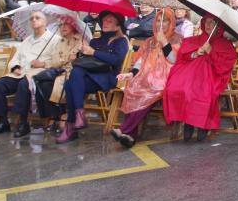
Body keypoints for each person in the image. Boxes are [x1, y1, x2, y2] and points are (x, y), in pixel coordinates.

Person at [111, 8, 183, 147]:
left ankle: (124, 129)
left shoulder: (178, 39)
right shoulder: (150, 41)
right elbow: (140, 60)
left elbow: (174, 60)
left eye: (165, 21)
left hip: (167, 78)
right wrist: (131, 73)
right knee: (134, 86)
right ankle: (129, 136)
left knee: (150, 90)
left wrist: (165, 43)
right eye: (158, 21)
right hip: (147, 76)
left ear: (172, 22)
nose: (160, 24)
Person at [56, 11, 129, 143]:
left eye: (110, 21)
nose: (105, 23)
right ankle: (78, 116)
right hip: (91, 75)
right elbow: (89, 63)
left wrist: (94, 52)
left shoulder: (121, 41)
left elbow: (116, 60)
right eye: (104, 21)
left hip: (108, 77)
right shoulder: (95, 41)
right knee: (72, 79)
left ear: (117, 26)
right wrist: (81, 53)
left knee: (71, 82)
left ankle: (71, 127)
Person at [162, 14, 238, 142]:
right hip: (189, 74)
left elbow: (224, 66)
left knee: (201, 91)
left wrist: (211, 52)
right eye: (206, 22)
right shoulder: (194, 40)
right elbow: (182, 58)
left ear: (218, 26)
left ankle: (202, 124)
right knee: (176, 88)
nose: (208, 25)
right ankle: (188, 121)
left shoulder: (225, 44)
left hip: (211, 76)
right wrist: (195, 53)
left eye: (212, 23)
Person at [0, 11, 61, 138]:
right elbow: (16, 58)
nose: (33, 20)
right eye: (31, 18)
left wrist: (42, 64)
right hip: (21, 73)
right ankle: (2, 122)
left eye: (37, 18)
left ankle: (23, 122)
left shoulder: (54, 40)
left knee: (23, 85)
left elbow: (57, 61)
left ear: (45, 22)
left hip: (37, 75)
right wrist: (15, 67)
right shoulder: (27, 40)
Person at [33, 20, 84, 131]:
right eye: (61, 24)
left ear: (74, 25)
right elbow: (55, 61)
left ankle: (61, 115)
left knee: (53, 85)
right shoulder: (60, 41)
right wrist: (66, 59)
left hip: (73, 73)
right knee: (42, 83)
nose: (62, 27)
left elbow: (76, 61)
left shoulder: (81, 40)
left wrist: (63, 60)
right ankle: (56, 115)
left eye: (66, 24)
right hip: (59, 71)